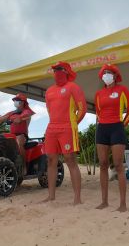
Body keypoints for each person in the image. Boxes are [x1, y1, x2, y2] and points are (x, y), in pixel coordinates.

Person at [42, 61, 87, 205]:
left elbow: (82, 109)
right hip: (52, 128)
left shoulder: (73, 87)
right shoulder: (49, 91)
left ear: (67, 71)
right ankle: (51, 196)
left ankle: (77, 198)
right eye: (54, 70)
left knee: (70, 159)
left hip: (67, 128)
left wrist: (73, 124)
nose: (56, 72)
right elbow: (50, 110)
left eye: (59, 69)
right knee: (50, 160)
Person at [94, 63, 129, 212]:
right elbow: (98, 112)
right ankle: (104, 201)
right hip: (102, 129)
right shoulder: (98, 94)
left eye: (109, 72)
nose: (106, 75)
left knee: (118, 165)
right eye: (104, 72)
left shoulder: (122, 90)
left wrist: (122, 124)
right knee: (103, 164)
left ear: (115, 76)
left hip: (117, 127)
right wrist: (103, 122)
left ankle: (123, 204)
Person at [0, 93, 35, 175]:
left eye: (17, 100)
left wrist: (16, 119)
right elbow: (0, 118)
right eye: (15, 100)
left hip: (22, 135)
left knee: (19, 141)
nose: (15, 102)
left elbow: (25, 116)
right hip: (12, 136)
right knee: (0, 142)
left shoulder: (26, 111)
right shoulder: (12, 113)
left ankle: (24, 167)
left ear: (22, 102)